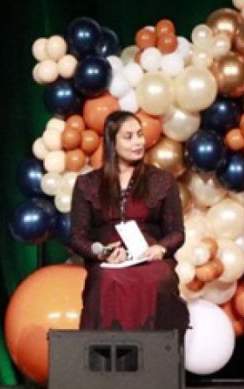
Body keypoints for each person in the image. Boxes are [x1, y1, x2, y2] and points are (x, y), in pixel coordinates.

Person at [68, 111, 189, 332]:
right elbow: (78, 237)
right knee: (107, 278)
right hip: (109, 263)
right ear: (112, 142)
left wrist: (160, 249)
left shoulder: (161, 180)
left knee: (158, 278)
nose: (138, 142)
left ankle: (156, 350)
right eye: (128, 137)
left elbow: (177, 232)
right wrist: (101, 252)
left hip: (149, 259)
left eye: (140, 135)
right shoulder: (88, 183)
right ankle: (109, 351)